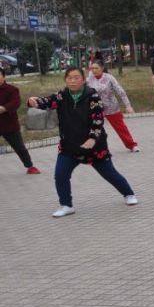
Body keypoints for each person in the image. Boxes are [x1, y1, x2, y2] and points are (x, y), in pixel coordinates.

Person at [27, 67, 138, 217]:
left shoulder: (92, 95)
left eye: (76, 78)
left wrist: (92, 139)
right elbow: (47, 102)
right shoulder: (61, 96)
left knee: (109, 173)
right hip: (70, 146)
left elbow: (98, 119)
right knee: (60, 175)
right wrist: (34, 101)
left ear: (83, 80)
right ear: (65, 80)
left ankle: (128, 194)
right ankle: (66, 205)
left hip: (94, 146)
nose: (72, 81)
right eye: (69, 78)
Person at [86, 60, 139, 152]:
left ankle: (131, 145)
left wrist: (128, 105)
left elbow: (121, 92)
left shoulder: (109, 78)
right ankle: (91, 148)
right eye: (92, 68)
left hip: (111, 107)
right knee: (92, 128)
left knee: (121, 127)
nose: (94, 70)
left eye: (96, 68)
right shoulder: (89, 78)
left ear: (102, 68)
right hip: (95, 107)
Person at [0, 69, 40, 174]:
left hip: (9, 125)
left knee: (19, 147)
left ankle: (30, 166)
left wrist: (3, 108)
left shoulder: (12, 90)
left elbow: (16, 102)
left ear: (3, 76)